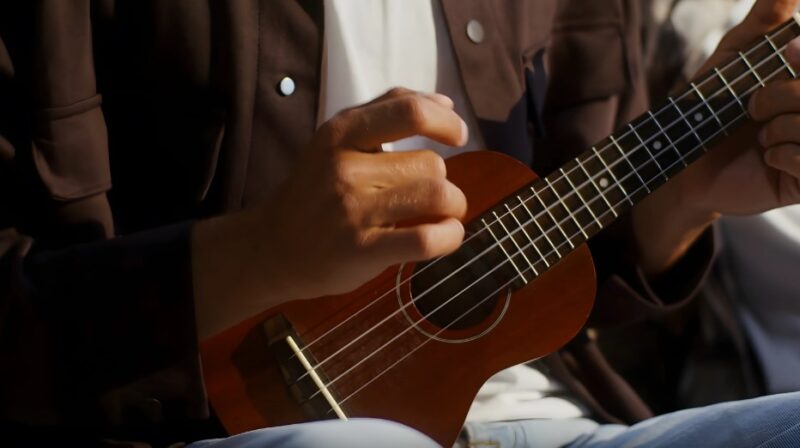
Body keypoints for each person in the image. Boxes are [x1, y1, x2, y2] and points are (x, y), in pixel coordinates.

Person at [1, 0, 800, 447]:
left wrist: (679, 195)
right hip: (218, 430)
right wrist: (261, 254)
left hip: (544, 422)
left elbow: (576, 270)